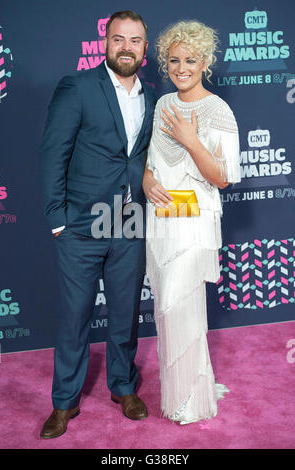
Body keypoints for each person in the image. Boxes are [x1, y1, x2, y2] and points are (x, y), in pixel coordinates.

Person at [40, 10, 156, 439]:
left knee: (125, 314)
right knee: (75, 318)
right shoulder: (78, 87)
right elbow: (54, 153)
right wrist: (57, 220)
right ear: (106, 43)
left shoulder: (152, 95)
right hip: (81, 225)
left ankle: (123, 387)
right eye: (119, 39)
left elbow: (139, 158)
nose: (127, 47)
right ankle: (64, 402)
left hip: (128, 220)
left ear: (145, 48)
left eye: (136, 40)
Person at [143, 20, 241, 424]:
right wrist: (147, 181)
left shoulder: (218, 109)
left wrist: (191, 139)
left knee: (179, 304)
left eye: (191, 60)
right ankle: (178, 393)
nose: (181, 68)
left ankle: (194, 400)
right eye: (174, 60)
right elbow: (150, 163)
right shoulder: (164, 104)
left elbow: (223, 175)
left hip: (193, 222)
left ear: (206, 63)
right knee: (165, 311)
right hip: (161, 220)